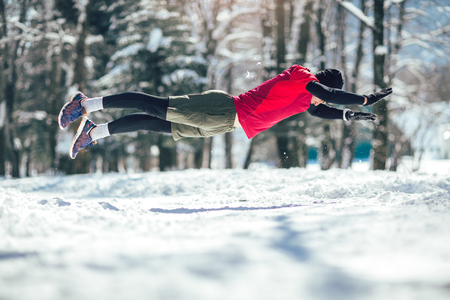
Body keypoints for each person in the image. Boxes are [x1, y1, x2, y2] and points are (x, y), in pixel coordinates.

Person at [58, 65, 392, 159]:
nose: (322, 103)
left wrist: (348, 116)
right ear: (322, 83)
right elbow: (326, 95)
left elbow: (322, 110)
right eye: (324, 95)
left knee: (154, 124)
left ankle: (93, 132)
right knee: (153, 106)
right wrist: (363, 100)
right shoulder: (302, 78)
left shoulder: (306, 100)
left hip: (226, 124)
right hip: (222, 108)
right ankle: (85, 104)